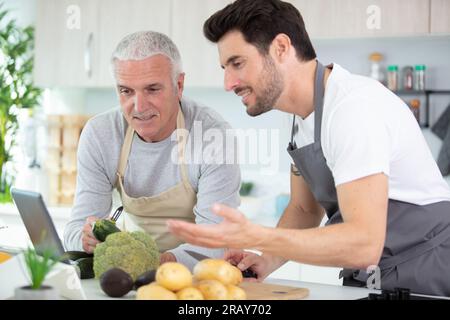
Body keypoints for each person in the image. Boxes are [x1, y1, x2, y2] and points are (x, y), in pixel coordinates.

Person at [167, 0, 450, 296]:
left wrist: (259, 235)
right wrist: (266, 259)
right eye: (225, 68)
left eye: (237, 63)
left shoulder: (353, 109)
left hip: (425, 271)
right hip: (373, 276)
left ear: (281, 47)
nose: (228, 82)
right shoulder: (303, 116)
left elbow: (363, 243)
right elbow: (304, 209)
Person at [63, 31, 241, 268]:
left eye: (152, 89)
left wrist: (154, 261)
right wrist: (86, 240)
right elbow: (74, 230)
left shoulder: (213, 135)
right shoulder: (100, 134)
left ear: (179, 85)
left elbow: (216, 239)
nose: (139, 106)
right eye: (126, 91)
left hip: (199, 277)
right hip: (130, 275)